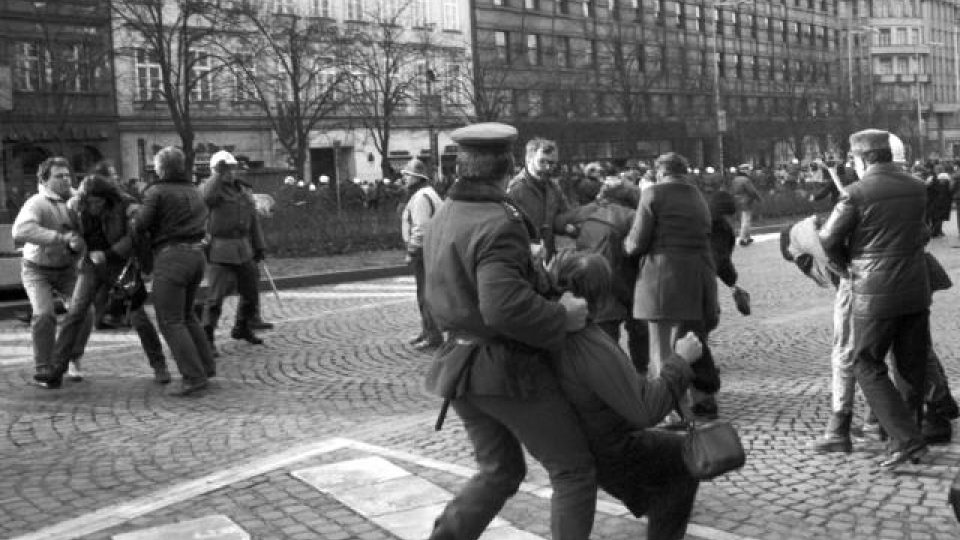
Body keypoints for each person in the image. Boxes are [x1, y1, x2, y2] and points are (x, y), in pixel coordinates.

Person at [423, 122, 596, 540]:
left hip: (459, 365)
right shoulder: (498, 222)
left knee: (499, 470)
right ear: (509, 165)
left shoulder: (445, 212)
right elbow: (502, 307)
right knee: (574, 470)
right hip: (503, 368)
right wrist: (563, 317)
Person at [549, 251, 702, 540]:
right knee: (684, 459)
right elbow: (645, 410)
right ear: (603, 296)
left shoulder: (547, 330)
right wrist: (681, 360)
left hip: (579, 441)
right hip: (608, 449)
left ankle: (651, 501)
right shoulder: (590, 345)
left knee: (666, 463)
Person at [819, 129, 931, 468]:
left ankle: (906, 438)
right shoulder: (917, 187)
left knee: (866, 363)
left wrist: (845, 265)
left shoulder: (855, 194)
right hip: (915, 287)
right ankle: (906, 438)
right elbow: (924, 232)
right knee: (912, 366)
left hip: (873, 291)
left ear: (862, 158)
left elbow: (826, 239)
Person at [51, 174, 170, 384]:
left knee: (137, 316)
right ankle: (57, 368)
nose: (93, 206)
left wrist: (109, 255)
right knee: (75, 313)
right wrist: (73, 242)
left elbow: (133, 237)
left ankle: (159, 365)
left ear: (107, 198)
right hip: (90, 264)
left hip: (119, 263)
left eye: (97, 202)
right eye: (89, 202)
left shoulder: (124, 205)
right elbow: (68, 231)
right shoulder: (78, 206)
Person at [623, 153, 717, 389]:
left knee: (661, 348)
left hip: (660, 277)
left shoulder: (653, 194)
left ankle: (668, 406)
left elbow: (636, 243)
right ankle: (694, 396)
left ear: (660, 173)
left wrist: (624, 245)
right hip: (694, 277)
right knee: (685, 342)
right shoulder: (697, 196)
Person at [133, 146, 215, 396]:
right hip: (196, 256)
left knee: (171, 320)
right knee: (187, 315)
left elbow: (141, 225)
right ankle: (206, 366)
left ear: (161, 168)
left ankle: (193, 376)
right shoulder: (194, 190)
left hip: (171, 257)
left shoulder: (157, 192)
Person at [12, 157, 89, 388]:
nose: (65, 180)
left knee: (86, 312)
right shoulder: (37, 202)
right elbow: (21, 229)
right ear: (44, 180)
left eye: (67, 175)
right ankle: (43, 367)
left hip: (67, 269)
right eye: (58, 176)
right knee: (44, 314)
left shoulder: (79, 200)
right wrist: (59, 238)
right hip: (37, 269)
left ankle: (72, 356)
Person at [560, 179, 649, 373]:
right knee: (638, 330)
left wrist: (574, 231)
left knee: (605, 334)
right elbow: (641, 241)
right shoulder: (631, 215)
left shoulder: (588, 211)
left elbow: (560, 222)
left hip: (592, 277)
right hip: (624, 279)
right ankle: (638, 372)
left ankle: (608, 373)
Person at [200, 150, 267, 355]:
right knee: (215, 297)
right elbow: (206, 196)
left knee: (251, 291)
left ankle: (242, 326)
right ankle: (207, 337)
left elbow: (253, 219)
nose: (230, 173)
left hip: (243, 247)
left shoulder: (242, 190)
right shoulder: (211, 189)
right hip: (220, 248)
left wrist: (259, 245)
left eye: (232, 169)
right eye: (226, 169)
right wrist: (216, 175)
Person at [399, 157, 444, 351]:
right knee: (425, 292)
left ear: (416, 177)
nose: (404, 179)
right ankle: (427, 331)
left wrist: (412, 251)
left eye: (407, 175)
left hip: (425, 251)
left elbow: (421, 227)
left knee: (425, 294)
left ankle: (432, 334)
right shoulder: (428, 193)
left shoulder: (420, 198)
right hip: (432, 249)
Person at [507, 137, 575, 261]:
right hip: (523, 259)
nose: (548, 167)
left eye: (552, 163)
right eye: (542, 162)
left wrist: (568, 226)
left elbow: (566, 216)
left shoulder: (554, 189)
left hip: (548, 258)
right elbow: (505, 232)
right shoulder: (514, 190)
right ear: (529, 160)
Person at [730, 164, 762, 246]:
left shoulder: (735, 179)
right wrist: (758, 198)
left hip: (736, 200)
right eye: (748, 170)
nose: (750, 172)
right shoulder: (746, 180)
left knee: (743, 219)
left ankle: (747, 237)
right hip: (745, 200)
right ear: (745, 171)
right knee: (746, 220)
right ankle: (742, 238)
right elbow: (752, 191)